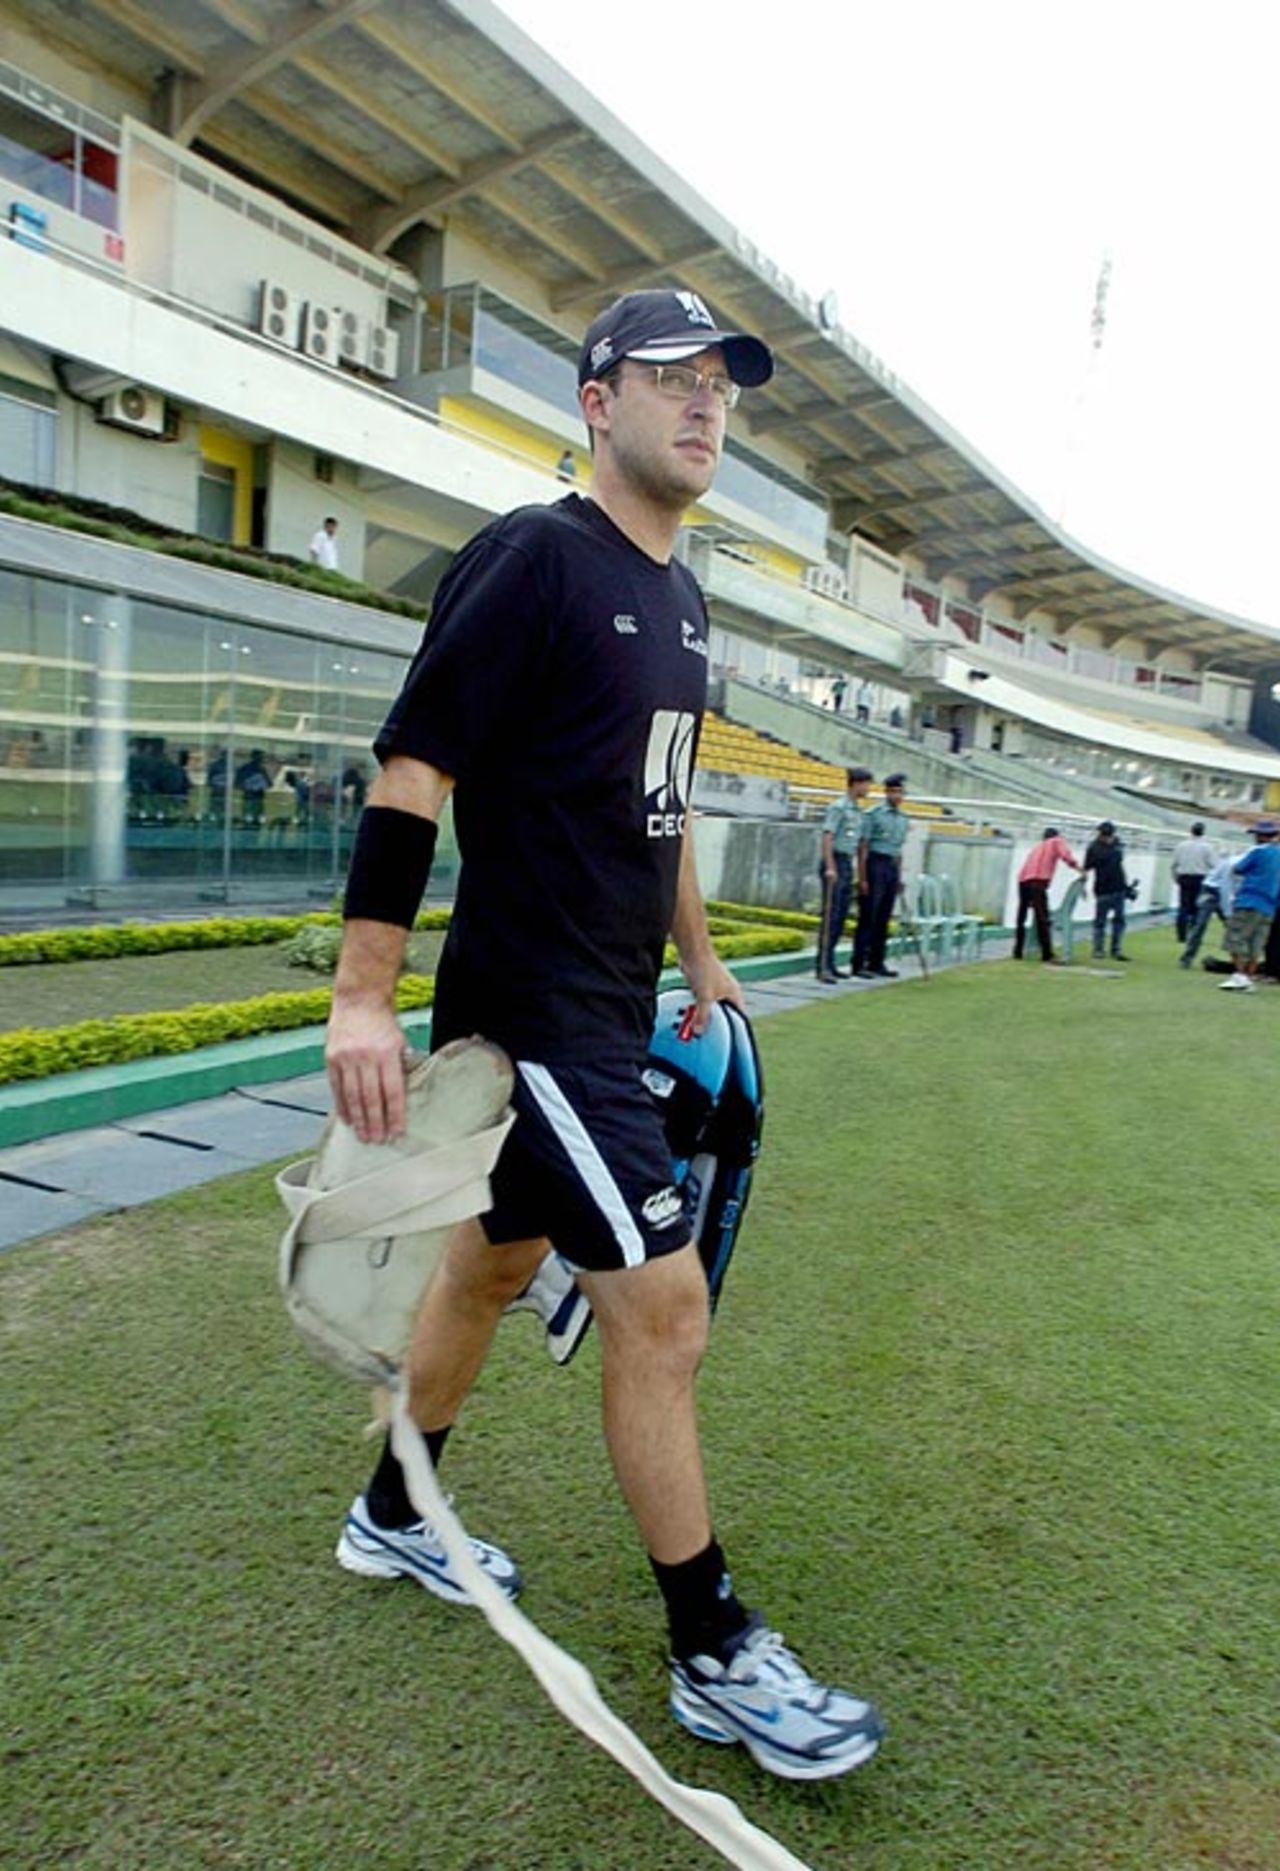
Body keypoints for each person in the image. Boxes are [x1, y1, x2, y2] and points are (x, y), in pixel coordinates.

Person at [324, 286, 883, 1781]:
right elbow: (412, 767)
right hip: (534, 1012)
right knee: (665, 1307)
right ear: (595, 400)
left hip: (613, 996)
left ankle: (394, 1512)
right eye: (671, 378)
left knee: (490, 1262)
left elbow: (662, 803)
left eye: (721, 385)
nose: (706, 405)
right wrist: (363, 991)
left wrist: (700, 963)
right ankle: (711, 1648)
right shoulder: (531, 560)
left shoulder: (686, 598)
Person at [815, 766, 872, 982]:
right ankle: (822, 966)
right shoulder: (839, 807)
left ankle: (831, 963)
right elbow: (828, 836)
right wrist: (830, 866)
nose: (867, 788)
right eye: (865, 784)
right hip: (835, 860)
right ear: (855, 784)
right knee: (830, 915)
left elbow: (858, 845)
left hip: (846, 862)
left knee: (840, 917)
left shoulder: (858, 812)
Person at [852, 773, 909, 979]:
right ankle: (859, 963)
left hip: (891, 866)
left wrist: (899, 877)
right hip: (874, 864)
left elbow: (899, 849)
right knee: (869, 916)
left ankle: (877, 961)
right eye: (893, 791)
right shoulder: (873, 814)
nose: (897, 795)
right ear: (886, 793)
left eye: (900, 792)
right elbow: (863, 846)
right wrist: (863, 877)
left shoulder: (903, 819)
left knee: (884, 917)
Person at [1219, 820, 1280, 992]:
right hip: (1269, 905)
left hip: (1249, 900)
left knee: (1236, 937)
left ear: (1260, 836)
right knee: (1256, 942)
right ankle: (1249, 977)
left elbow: (1238, 868)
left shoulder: (1258, 852)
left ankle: (1239, 976)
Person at [1013, 827, 1083, 964]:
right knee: (1042, 918)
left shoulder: (1037, 847)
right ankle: (1047, 953)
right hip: (1038, 881)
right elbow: (1066, 856)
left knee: (1021, 917)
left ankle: (1018, 950)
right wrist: (1078, 868)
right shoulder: (1056, 841)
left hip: (1023, 880)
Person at [1179, 851, 1236, 969]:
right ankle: (1187, 958)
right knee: (1200, 925)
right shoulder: (1232, 865)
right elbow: (1225, 888)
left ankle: (1238, 962)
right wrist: (1227, 912)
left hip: (1221, 891)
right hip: (1211, 890)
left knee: (1232, 927)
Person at [1083, 820, 1130, 961]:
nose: (1106, 837)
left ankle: (1114, 950)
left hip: (1118, 888)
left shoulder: (1117, 846)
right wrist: (1083, 886)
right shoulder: (1095, 848)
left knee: (1117, 921)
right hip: (1104, 889)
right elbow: (1087, 867)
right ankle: (1099, 950)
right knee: (1101, 922)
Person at [1170, 822, 1216, 942]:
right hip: (1200, 878)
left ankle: (1181, 936)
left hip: (1184, 877)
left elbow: (1174, 865)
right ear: (1203, 832)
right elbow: (1213, 865)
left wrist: (1175, 878)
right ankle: (1194, 934)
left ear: (1191, 831)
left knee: (1183, 907)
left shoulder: (1181, 845)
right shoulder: (1207, 847)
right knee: (1197, 907)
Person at [234, 748, 272, 826]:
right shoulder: (249, 768)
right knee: (251, 821)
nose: (262, 759)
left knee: (254, 821)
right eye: (261, 756)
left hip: (257, 799)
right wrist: (251, 786)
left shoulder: (261, 769)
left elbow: (269, 784)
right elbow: (237, 784)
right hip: (251, 799)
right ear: (255, 757)